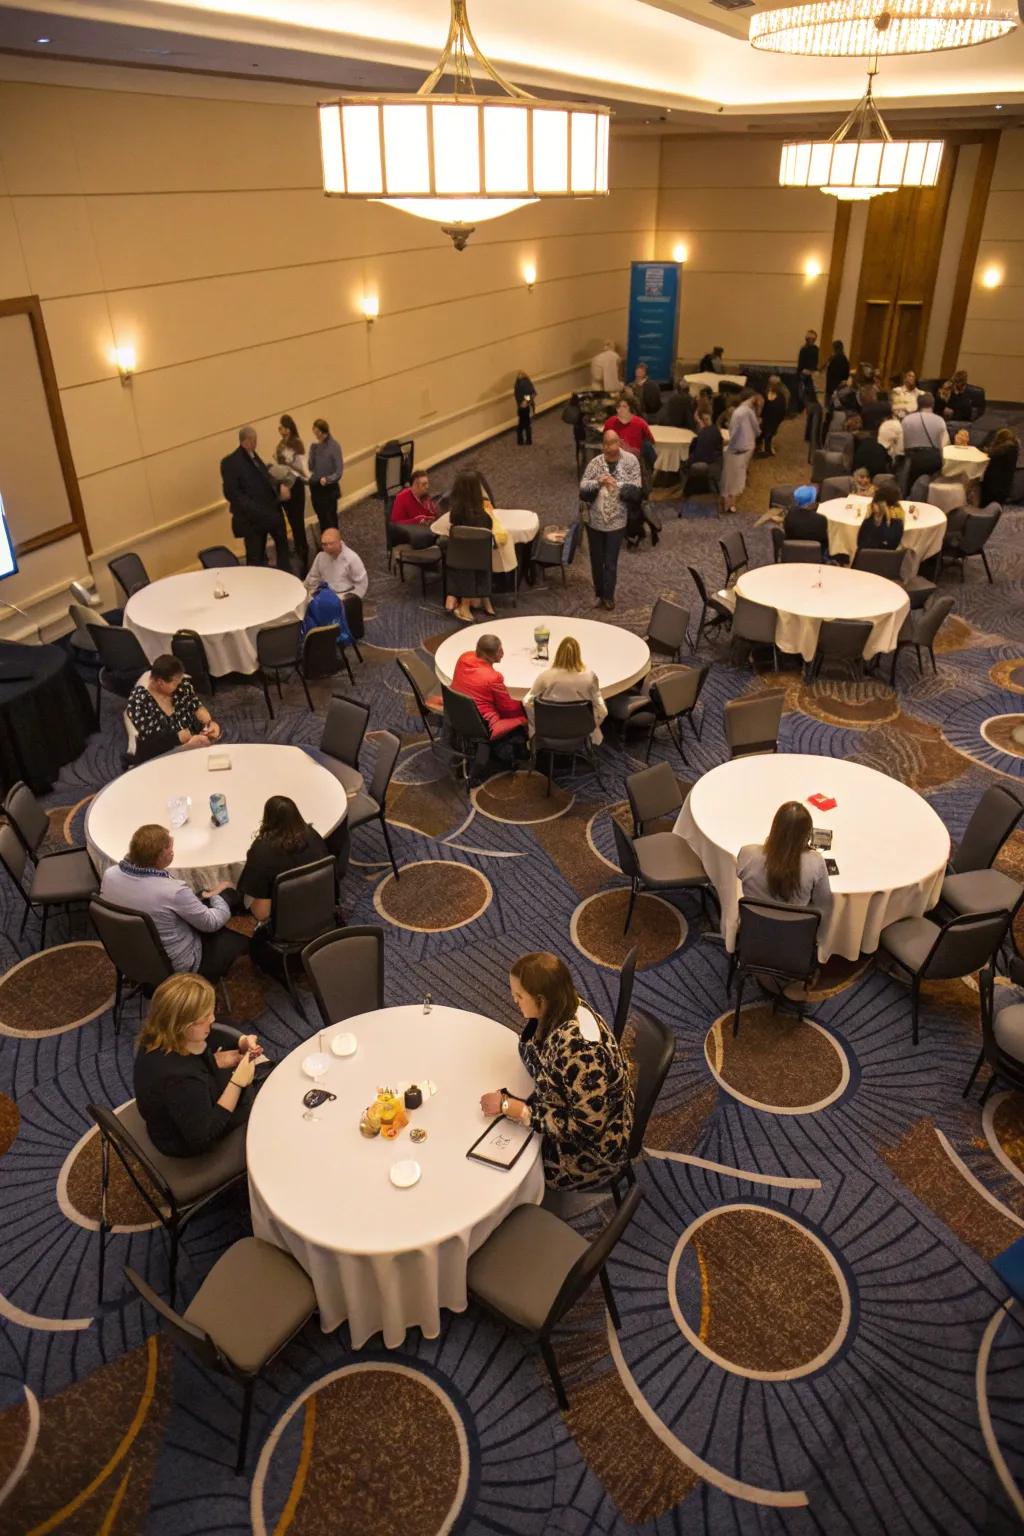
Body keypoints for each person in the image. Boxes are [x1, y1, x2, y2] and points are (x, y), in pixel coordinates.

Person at [479, 952, 634, 1192]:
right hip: (572, 1109)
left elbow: (585, 1130)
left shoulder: (583, 1056)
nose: (514, 999)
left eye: (520, 995)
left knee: (504, 1172)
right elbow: (531, 1048)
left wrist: (515, 1108)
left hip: (593, 1152)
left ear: (542, 1000)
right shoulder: (564, 1006)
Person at [134, 973, 262, 1158]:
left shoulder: (156, 1035)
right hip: (185, 1140)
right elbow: (205, 1137)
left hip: (181, 1111)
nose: (211, 1019)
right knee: (258, 1104)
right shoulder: (180, 1080)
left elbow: (211, 1032)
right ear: (181, 1026)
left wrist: (241, 1041)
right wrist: (237, 1082)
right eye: (203, 1017)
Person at [99, 824, 249, 982]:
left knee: (201, 898)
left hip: (129, 956)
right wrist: (216, 894)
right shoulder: (173, 891)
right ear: (161, 856)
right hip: (178, 966)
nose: (172, 852)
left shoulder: (109, 875)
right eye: (170, 849)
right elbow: (211, 923)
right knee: (228, 906)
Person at [237, 794, 334, 973]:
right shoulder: (314, 836)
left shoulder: (261, 852)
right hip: (324, 912)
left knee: (246, 902)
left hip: (286, 929)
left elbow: (261, 913)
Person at [578, 430, 642, 610]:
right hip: (594, 521)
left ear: (619, 443)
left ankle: (609, 596)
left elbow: (637, 491)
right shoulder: (595, 463)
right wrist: (598, 482)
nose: (607, 447)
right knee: (596, 559)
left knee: (611, 561)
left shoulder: (630, 462)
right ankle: (599, 593)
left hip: (617, 521)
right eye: (605, 444)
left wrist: (617, 485)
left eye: (611, 443)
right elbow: (583, 488)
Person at [737, 802, 832, 921]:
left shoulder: (747, 854)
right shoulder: (816, 863)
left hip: (752, 930)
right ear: (806, 835)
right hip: (795, 932)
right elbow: (824, 905)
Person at [126, 654, 221, 765]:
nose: (179, 684)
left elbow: (196, 705)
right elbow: (153, 741)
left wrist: (209, 723)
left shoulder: (181, 686)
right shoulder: (139, 701)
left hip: (194, 742)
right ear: (161, 682)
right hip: (163, 756)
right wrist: (184, 742)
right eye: (175, 683)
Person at [220, 425, 291, 572]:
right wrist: (257, 510)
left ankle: (286, 576)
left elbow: (265, 479)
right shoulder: (230, 462)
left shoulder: (254, 456)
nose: (256, 443)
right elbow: (233, 494)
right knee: (255, 559)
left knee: (283, 548)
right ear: (248, 440)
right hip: (253, 519)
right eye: (254, 440)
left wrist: (279, 488)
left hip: (271, 512)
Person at [445, 470, 511, 622]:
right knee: (475, 557)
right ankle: (485, 599)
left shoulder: (456, 514)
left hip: (462, 561)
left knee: (447, 548)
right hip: (482, 562)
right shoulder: (484, 517)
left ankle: (462, 604)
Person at [452, 634, 528, 758]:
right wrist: (525, 705)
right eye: (500, 650)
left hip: (457, 712)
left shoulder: (464, 657)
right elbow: (509, 709)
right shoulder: (493, 677)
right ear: (496, 652)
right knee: (526, 713)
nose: (503, 653)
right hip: (482, 724)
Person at [523, 636, 608, 745]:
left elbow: (527, 702)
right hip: (580, 730)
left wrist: (537, 722)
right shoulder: (590, 677)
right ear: (578, 654)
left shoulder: (545, 676)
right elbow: (602, 710)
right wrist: (594, 724)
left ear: (558, 653)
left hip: (551, 729)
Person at [274, 415, 310, 571]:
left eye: (281, 427)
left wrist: (284, 463)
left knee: (297, 520)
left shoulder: (296, 443)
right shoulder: (281, 444)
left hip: (296, 484)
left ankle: (303, 548)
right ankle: (297, 545)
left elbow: (300, 466)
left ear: (288, 428)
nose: (279, 430)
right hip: (286, 484)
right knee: (291, 518)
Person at [720, 391, 762, 514]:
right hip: (741, 449)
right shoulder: (745, 414)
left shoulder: (741, 415)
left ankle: (729, 503)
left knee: (732, 477)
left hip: (737, 449)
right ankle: (729, 503)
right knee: (733, 477)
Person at [901, 393, 949, 490]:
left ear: (918, 404)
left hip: (913, 459)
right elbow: (945, 444)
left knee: (910, 489)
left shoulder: (907, 419)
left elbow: (902, 442)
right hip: (934, 459)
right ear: (933, 404)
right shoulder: (940, 420)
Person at [304, 527, 367, 599]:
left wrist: (352, 601)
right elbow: (313, 577)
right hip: (325, 595)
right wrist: (313, 595)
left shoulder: (352, 558)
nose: (328, 547)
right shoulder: (320, 556)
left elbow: (362, 584)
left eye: (331, 543)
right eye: (324, 544)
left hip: (345, 596)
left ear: (339, 542)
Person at [308, 418, 343, 531]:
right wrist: (311, 453)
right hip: (317, 487)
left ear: (324, 432)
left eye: (318, 433)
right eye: (315, 433)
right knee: (321, 517)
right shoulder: (316, 447)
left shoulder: (334, 447)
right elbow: (311, 467)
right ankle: (325, 543)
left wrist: (328, 479)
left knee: (331, 519)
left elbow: (339, 471)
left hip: (329, 488)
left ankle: (335, 542)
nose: (316, 436)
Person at [603, 397, 655, 462]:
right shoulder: (609, 423)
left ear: (630, 408)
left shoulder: (641, 424)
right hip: (614, 460)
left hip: (635, 461)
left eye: (624, 406)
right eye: (618, 407)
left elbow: (651, 442)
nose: (621, 409)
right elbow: (604, 443)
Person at [980, 427, 1020, 506]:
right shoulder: (1013, 450)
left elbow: (992, 454)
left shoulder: (1005, 450)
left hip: (993, 488)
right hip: (1003, 489)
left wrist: (987, 451)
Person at [689, 410, 724, 481]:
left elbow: (692, 448)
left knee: (684, 463)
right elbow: (720, 444)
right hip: (711, 461)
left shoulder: (703, 432)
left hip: (700, 461)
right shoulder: (715, 430)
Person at [759, 375, 788, 457]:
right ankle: (764, 447)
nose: (774, 386)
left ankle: (768, 446)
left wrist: (780, 418)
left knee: (772, 433)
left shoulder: (781, 396)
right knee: (765, 433)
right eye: (772, 384)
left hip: (775, 418)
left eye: (776, 384)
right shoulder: (764, 393)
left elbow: (783, 408)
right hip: (766, 417)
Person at [796, 329, 819, 409]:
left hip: (810, 373)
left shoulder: (815, 349)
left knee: (809, 393)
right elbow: (801, 364)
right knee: (803, 393)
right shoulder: (805, 349)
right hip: (805, 373)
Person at [514, 371, 536, 445]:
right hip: (524, 407)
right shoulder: (526, 383)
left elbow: (527, 394)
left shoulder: (519, 384)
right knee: (526, 424)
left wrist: (525, 401)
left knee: (522, 424)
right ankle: (528, 440)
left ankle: (521, 440)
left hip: (522, 407)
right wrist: (527, 401)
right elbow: (531, 393)